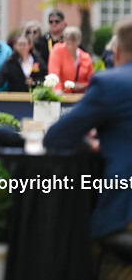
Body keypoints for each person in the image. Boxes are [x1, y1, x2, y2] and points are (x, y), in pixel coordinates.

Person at [44, 16, 132, 253]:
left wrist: (91, 142)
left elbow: (57, 137)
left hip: (123, 217)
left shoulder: (111, 83)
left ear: (119, 51)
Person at [48, 25, 94, 93]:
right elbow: (54, 72)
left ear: (79, 40)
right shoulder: (57, 50)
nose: (70, 42)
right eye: (67, 39)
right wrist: (57, 89)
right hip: (61, 94)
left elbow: (91, 79)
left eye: (73, 39)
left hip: (80, 96)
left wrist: (83, 85)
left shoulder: (85, 57)